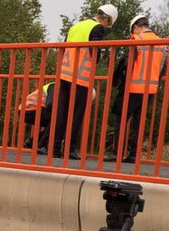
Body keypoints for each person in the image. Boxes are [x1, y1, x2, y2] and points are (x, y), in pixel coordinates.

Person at [52, 4, 117, 159]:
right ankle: (69, 149)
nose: (106, 27)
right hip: (81, 77)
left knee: (62, 112)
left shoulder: (77, 25)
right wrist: (99, 58)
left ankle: (54, 148)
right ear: (106, 19)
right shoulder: (97, 28)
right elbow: (94, 51)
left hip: (65, 74)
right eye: (108, 23)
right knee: (76, 114)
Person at [108, 15, 166, 163]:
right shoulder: (162, 43)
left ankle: (117, 153)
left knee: (121, 118)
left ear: (135, 27)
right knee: (139, 122)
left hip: (133, 87)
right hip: (151, 88)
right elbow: (163, 68)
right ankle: (134, 154)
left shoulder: (137, 39)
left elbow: (128, 64)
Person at [20, 82, 55, 152]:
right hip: (30, 110)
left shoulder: (53, 85)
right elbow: (50, 104)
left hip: (26, 110)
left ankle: (33, 142)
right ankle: (42, 145)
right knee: (59, 121)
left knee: (59, 122)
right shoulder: (55, 86)